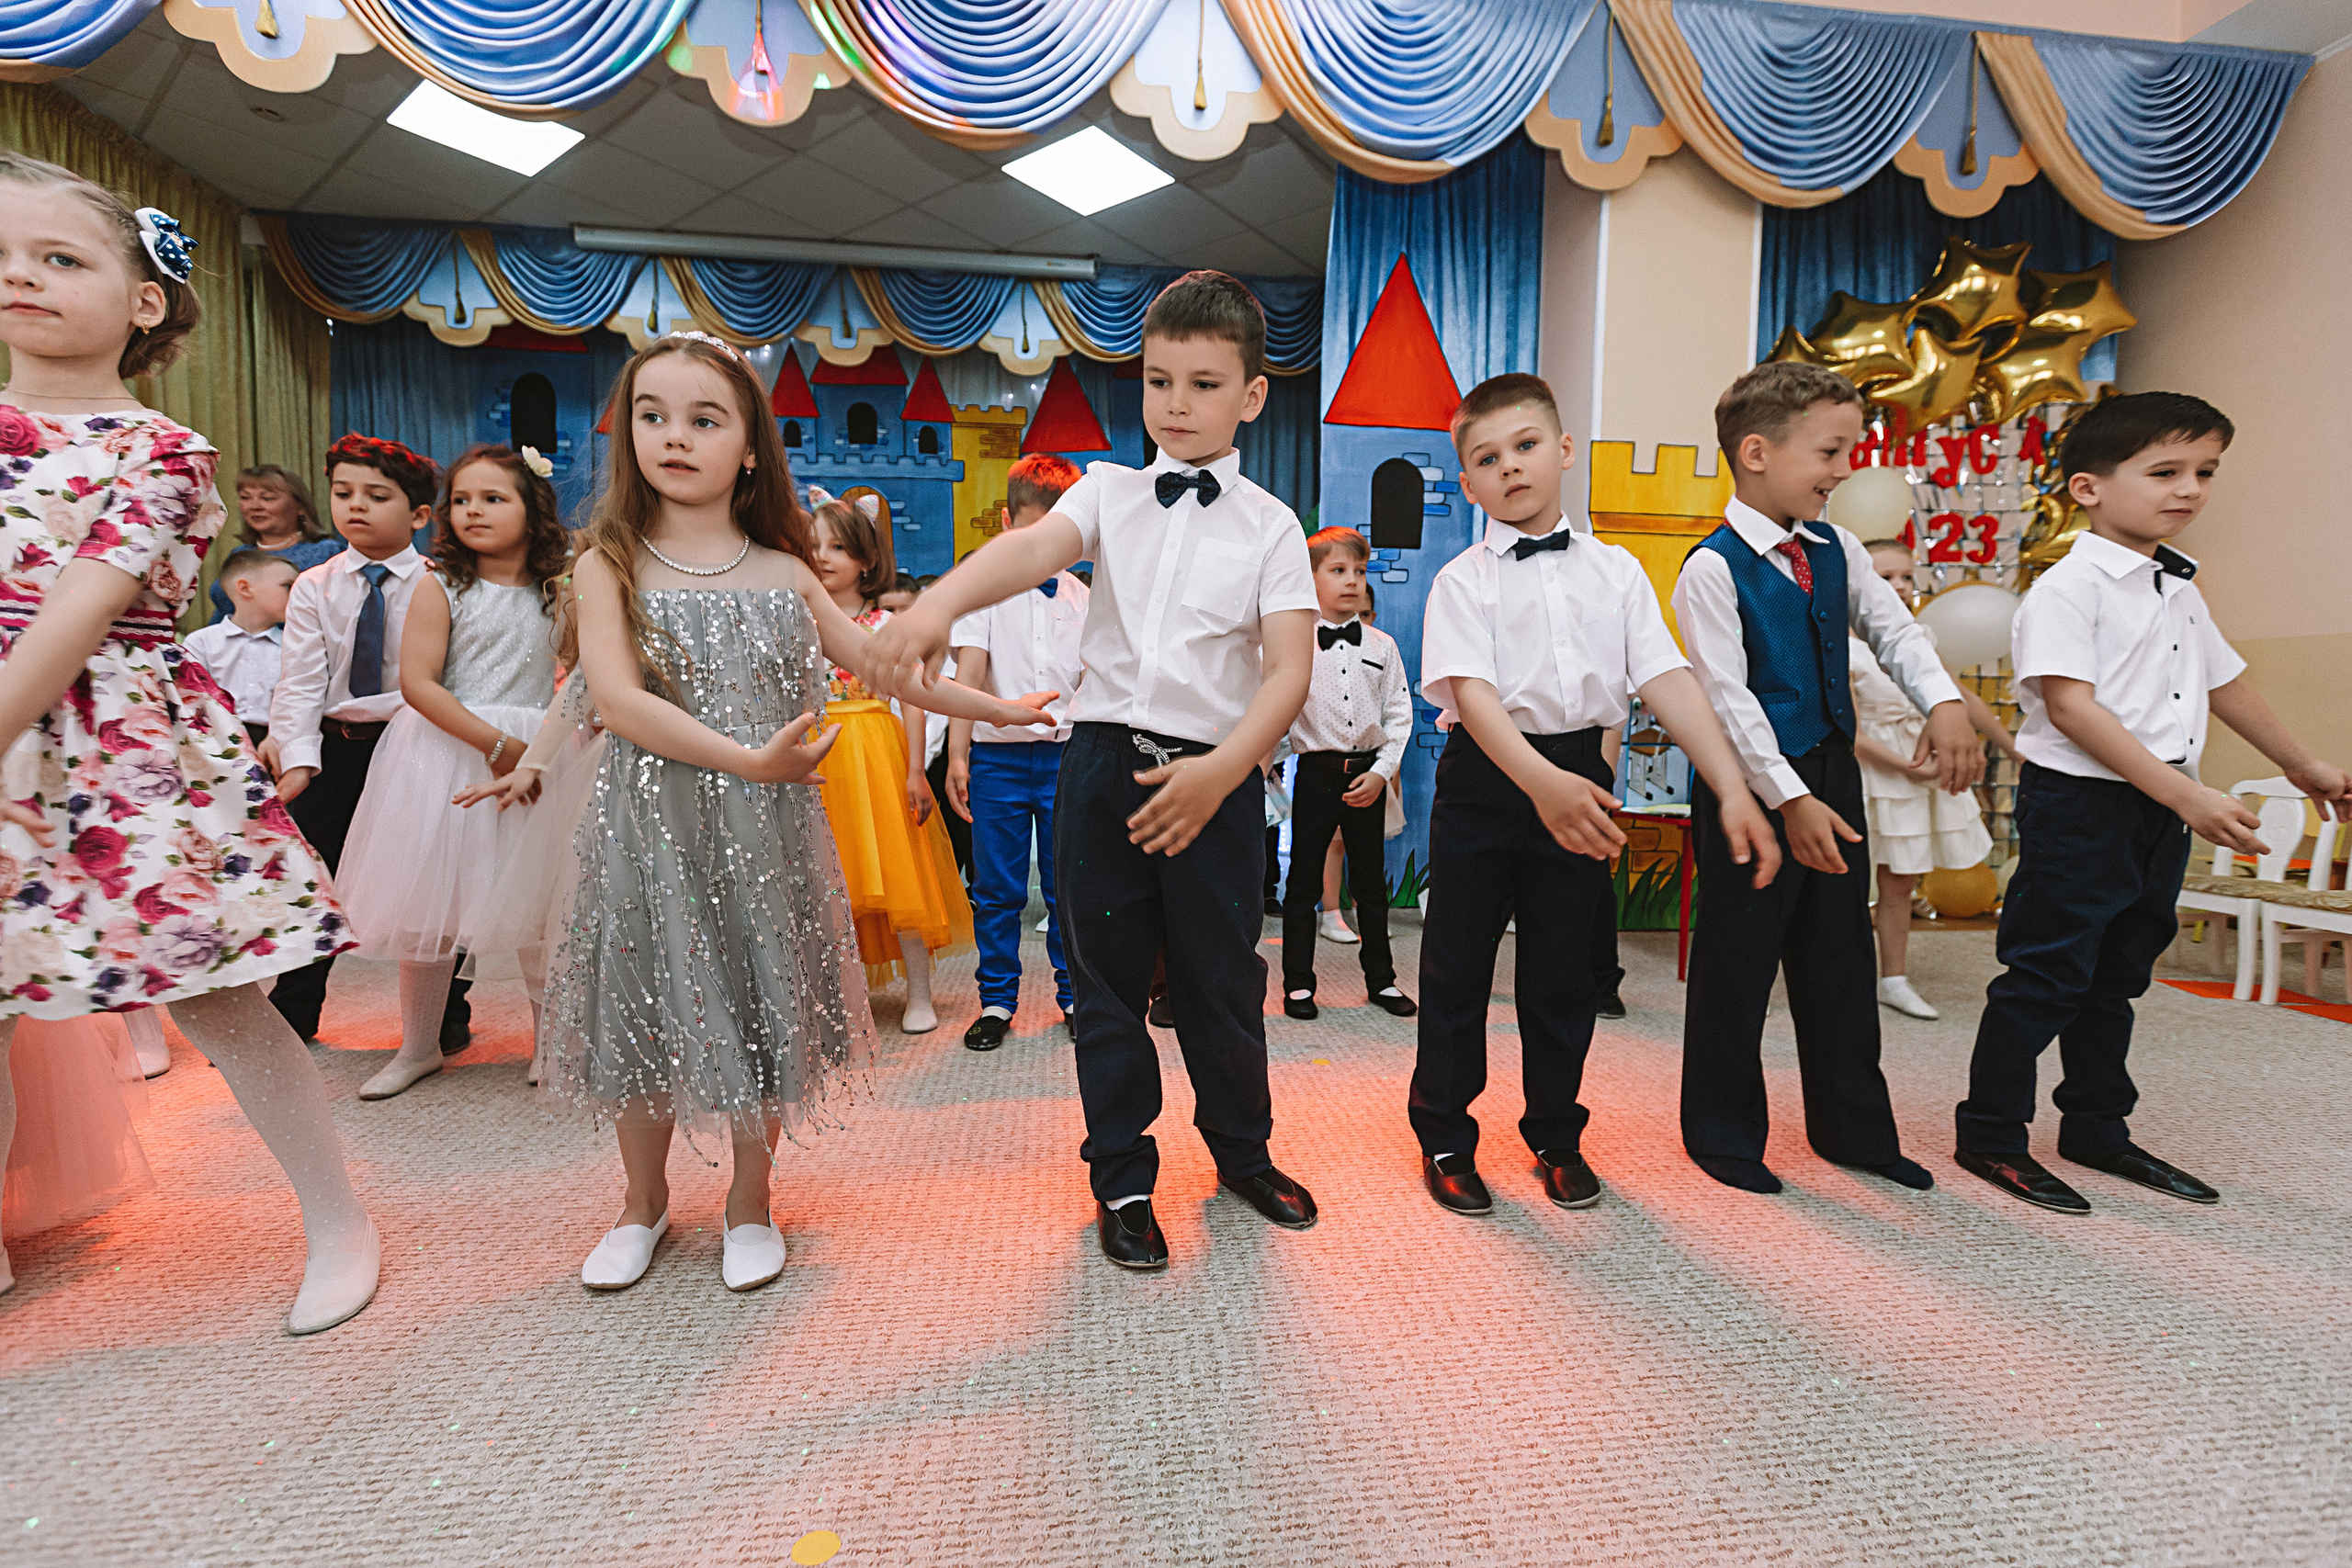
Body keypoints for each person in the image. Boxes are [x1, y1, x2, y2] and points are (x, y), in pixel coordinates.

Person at [544, 331, 1047, 1293]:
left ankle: (749, 1201)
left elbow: (882, 666)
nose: (673, 437)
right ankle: (640, 1205)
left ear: (749, 448)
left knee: (755, 999)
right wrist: (748, 760)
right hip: (651, 830)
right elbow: (615, 699)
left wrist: (995, 709)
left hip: (762, 835)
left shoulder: (783, 572)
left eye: (704, 418)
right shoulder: (609, 563)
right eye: (651, 416)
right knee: (644, 1007)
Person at [863, 271, 1321, 1270]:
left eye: (1204, 384)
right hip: (1104, 768)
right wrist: (934, 608)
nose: (1177, 405)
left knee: (1222, 984)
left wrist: (1223, 773)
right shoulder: (1108, 492)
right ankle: (1121, 1176)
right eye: (1160, 381)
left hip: (1219, 776)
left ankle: (1242, 1154)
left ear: (1251, 395)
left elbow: (1289, 672)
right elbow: (1026, 554)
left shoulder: (1272, 526)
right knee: (1103, 989)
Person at [0, 152, 377, 1333]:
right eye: (5, 256)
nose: (25, 276)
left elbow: (81, 607)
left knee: (215, 997)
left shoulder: (158, 450)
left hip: (121, 754)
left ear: (143, 300)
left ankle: (339, 1215)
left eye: (62, 257)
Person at [1956, 392, 2349, 1213]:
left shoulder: (2178, 588)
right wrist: (2187, 794)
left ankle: (2096, 1127)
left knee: (2119, 974)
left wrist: (2303, 762)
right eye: (2164, 471)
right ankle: (1991, 1134)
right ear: (2088, 488)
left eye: (2205, 471)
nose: (2190, 489)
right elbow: (2072, 707)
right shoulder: (2069, 588)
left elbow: (2224, 680)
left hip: (2157, 808)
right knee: (2044, 975)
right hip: (2082, 805)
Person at [1413, 374, 1779, 1216]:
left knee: (1563, 968)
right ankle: (1443, 1131)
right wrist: (1540, 785)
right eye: (1487, 458)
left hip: (1582, 777)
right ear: (1468, 483)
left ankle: (1554, 1132)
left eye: (1527, 446)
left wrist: (1731, 783)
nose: (1511, 468)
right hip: (1489, 776)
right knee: (1457, 966)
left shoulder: (1617, 573)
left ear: (1564, 450)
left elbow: (1667, 677)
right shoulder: (1463, 581)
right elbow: (1470, 695)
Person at [1670, 362, 1983, 1196]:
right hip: (1752, 786)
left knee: (1837, 957)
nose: (1845, 469)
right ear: (1758, 452)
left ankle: (1854, 1129)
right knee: (1737, 964)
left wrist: (1944, 703)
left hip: (1834, 775)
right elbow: (1726, 699)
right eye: (1831, 450)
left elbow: (1898, 634)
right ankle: (1723, 1132)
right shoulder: (1711, 566)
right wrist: (1789, 798)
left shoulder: (1839, 548)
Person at [334, 445, 569, 1099]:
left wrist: (546, 743)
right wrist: (499, 747)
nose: (473, 511)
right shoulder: (443, 584)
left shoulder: (560, 589)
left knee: (539, 901)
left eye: (493, 498)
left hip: (537, 744)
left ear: (533, 507)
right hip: (444, 750)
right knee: (428, 908)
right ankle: (419, 1044)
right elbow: (419, 684)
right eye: (462, 499)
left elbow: (577, 669)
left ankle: (550, 1041)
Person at [807, 489, 972, 1036]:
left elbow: (913, 697)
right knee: (828, 880)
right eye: (814, 545)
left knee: (901, 874)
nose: (823, 556)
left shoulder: (885, 623)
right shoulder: (801, 621)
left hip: (877, 748)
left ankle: (918, 993)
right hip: (819, 754)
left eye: (837, 546)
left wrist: (915, 769)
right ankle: (832, 997)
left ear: (866, 559)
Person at [944, 454, 1090, 1051]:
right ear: (1007, 520)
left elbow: (1096, 680)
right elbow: (969, 674)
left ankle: (1075, 995)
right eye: (1029, 531)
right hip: (997, 759)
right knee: (998, 887)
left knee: (1068, 888)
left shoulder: (1084, 598)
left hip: (1066, 759)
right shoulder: (984, 590)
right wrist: (958, 755)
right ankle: (998, 999)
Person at [1852, 538, 2018, 1021]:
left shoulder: (1918, 638)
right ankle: (1835, 974)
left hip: (1920, 766)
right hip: (1875, 770)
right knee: (1846, 878)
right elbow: (1852, 731)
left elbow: (1958, 695)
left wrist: (2012, 747)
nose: (1900, 587)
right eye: (1885, 578)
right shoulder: (1842, 647)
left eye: (1906, 577)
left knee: (1900, 880)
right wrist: (1903, 765)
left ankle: (1894, 978)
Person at [1280, 525, 1414, 1021]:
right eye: (1338, 571)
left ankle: (1382, 980)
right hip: (1316, 772)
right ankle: (1297, 985)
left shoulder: (1382, 645)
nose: (1353, 581)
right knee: (1302, 884)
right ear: (1309, 578)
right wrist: (1267, 765)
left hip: (1368, 775)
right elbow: (1277, 707)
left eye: (1359, 571)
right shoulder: (1293, 644)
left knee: (1372, 886)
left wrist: (1382, 772)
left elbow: (1400, 712)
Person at [185, 547, 296, 747]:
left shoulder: (293, 645)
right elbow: (192, 699)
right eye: (288, 586)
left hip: (277, 741)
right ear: (245, 588)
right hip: (216, 739)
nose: (297, 595)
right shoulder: (201, 642)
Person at [206, 463, 342, 623]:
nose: (254, 506)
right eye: (245, 497)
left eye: (267, 498)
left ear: (300, 506)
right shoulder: (239, 554)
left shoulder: (328, 552)